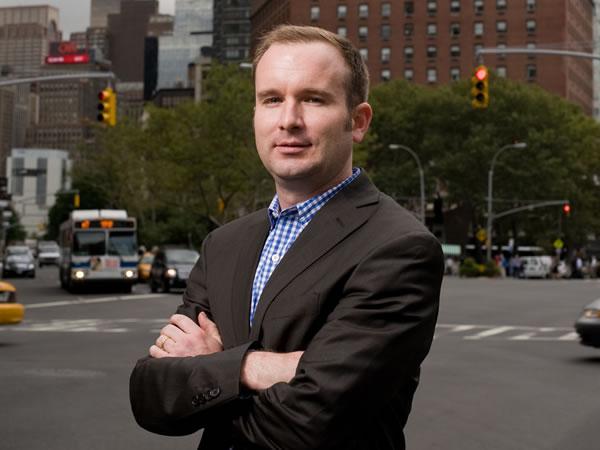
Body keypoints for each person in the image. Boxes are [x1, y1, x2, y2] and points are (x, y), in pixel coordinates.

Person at [129, 24, 444, 450]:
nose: (288, 120)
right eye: (272, 99)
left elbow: (311, 427)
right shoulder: (223, 245)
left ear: (358, 121)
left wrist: (210, 367)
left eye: (313, 99)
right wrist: (258, 368)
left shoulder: (399, 248)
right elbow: (151, 395)